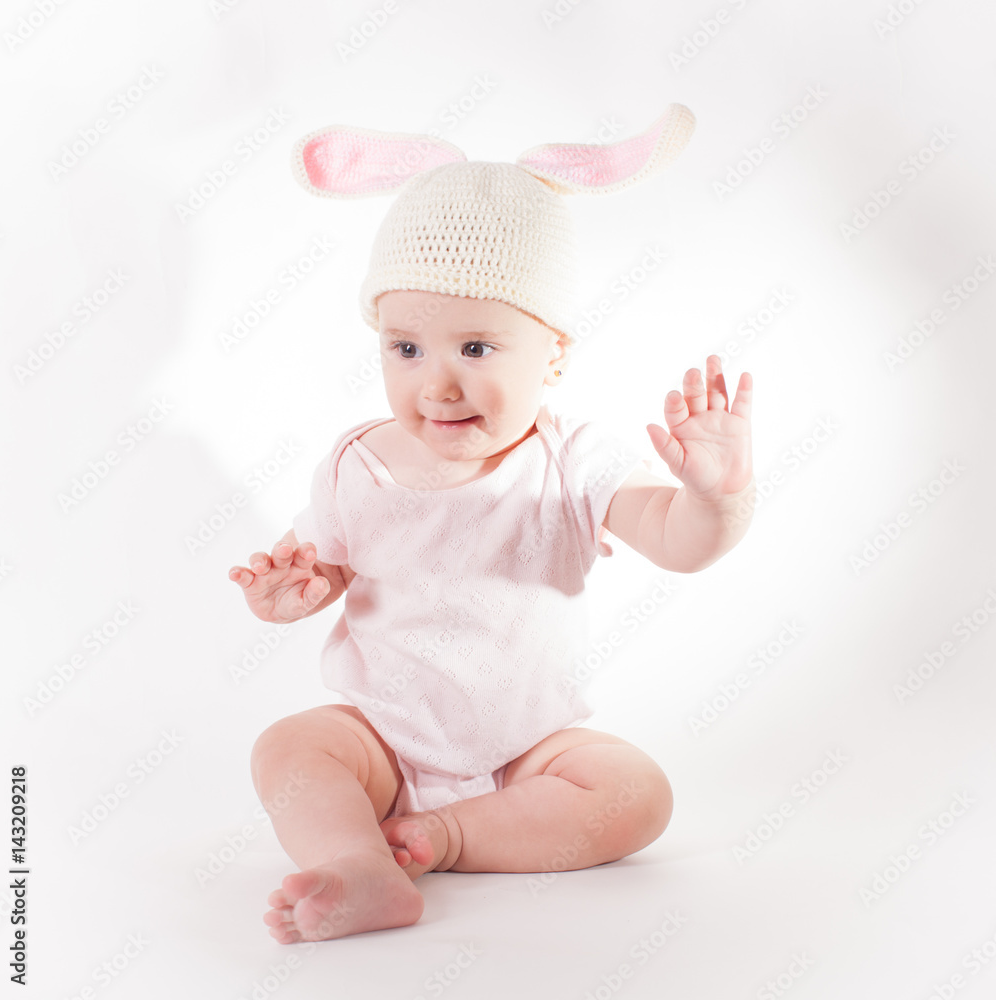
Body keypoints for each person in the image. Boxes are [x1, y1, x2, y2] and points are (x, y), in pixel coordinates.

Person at [229, 106, 756, 943]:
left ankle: (445, 837)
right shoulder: (356, 464)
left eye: (475, 349)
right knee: (288, 749)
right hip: (383, 742)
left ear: (554, 355)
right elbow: (321, 566)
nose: (437, 384)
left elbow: (675, 539)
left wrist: (714, 499)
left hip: (528, 754)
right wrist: (289, 593)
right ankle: (361, 866)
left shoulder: (572, 459)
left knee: (636, 793)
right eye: (406, 349)